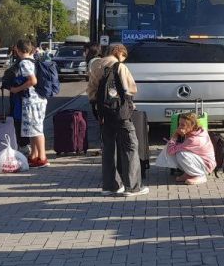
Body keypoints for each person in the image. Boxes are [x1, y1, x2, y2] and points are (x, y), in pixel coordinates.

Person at [87, 44, 149, 196]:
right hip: (121, 113)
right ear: (118, 52)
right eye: (123, 56)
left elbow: (91, 90)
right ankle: (133, 186)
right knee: (130, 145)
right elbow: (132, 88)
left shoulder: (96, 65)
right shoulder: (119, 66)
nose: (123, 59)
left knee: (108, 148)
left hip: (104, 113)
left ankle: (110, 186)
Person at [6, 39, 50, 168]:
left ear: (18, 50)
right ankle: (34, 155)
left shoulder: (24, 63)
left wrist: (16, 89)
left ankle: (42, 157)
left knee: (36, 129)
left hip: (32, 100)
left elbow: (33, 81)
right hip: (37, 99)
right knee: (32, 129)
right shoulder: (33, 60)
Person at [163, 112, 215, 185]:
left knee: (181, 154)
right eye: (179, 124)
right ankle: (189, 173)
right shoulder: (198, 131)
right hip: (203, 161)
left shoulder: (193, 139)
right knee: (178, 151)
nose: (179, 127)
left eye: (183, 125)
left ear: (192, 125)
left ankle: (200, 176)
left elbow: (170, 151)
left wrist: (175, 135)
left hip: (206, 166)